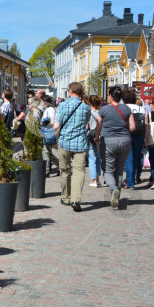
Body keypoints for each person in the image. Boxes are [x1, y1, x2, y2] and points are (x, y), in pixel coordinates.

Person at [94, 86, 135, 209]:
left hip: (108, 141)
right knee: (119, 169)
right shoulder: (127, 108)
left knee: (107, 169)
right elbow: (132, 127)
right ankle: (116, 197)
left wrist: (96, 137)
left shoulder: (104, 110)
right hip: (125, 140)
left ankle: (114, 189)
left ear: (110, 96)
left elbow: (98, 126)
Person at [53, 82, 92, 212]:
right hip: (80, 143)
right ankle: (76, 199)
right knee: (79, 171)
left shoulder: (62, 106)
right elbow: (87, 124)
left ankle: (66, 197)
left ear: (70, 91)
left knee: (64, 170)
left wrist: (57, 139)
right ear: (81, 93)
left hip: (64, 142)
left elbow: (55, 126)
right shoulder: (86, 108)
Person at [123, 88, 147, 188]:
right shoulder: (141, 108)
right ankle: (136, 176)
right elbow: (146, 124)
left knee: (129, 159)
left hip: (127, 133)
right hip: (139, 134)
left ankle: (130, 182)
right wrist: (145, 137)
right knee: (137, 157)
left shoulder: (123, 108)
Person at [87, 95, 103, 188]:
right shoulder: (102, 113)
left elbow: (86, 126)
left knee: (92, 158)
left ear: (90, 103)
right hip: (100, 135)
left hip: (91, 136)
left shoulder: (89, 113)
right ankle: (97, 178)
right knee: (98, 158)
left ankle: (94, 180)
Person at [40, 95, 58, 175]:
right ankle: (61, 167)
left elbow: (53, 121)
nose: (41, 103)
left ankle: (46, 171)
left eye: (41, 101)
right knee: (48, 153)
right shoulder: (48, 109)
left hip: (48, 132)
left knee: (46, 152)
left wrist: (43, 124)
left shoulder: (50, 110)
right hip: (46, 132)